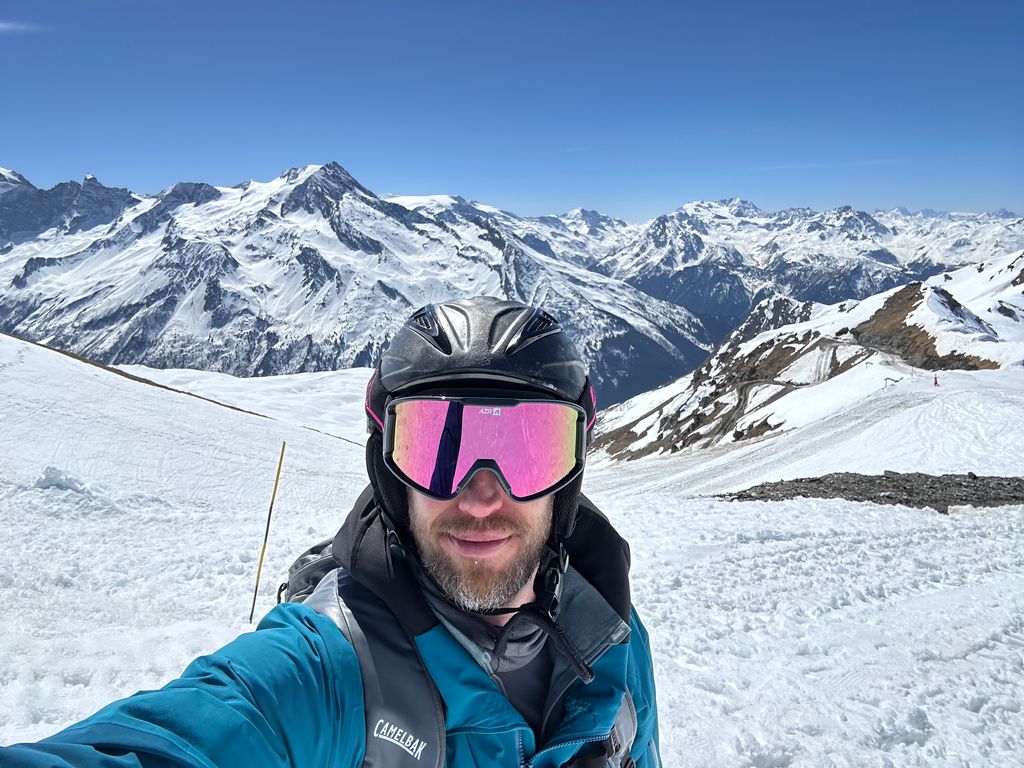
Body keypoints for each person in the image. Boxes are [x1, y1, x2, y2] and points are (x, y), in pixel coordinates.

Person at [4, 296, 661, 767]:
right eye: (435, 448)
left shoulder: (613, 637)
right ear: (389, 473)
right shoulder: (329, 667)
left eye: (530, 450)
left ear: (569, 477)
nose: (482, 497)